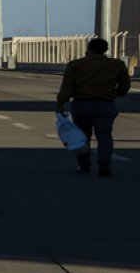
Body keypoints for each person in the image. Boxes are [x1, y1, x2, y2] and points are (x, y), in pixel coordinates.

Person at [56, 38, 132, 177]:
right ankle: (104, 163)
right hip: (105, 104)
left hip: (82, 104)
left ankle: (84, 164)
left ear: (89, 49)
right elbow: (125, 85)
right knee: (104, 135)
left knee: (82, 136)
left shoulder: (76, 65)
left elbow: (66, 88)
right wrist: (115, 94)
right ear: (106, 50)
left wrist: (61, 103)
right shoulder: (117, 65)